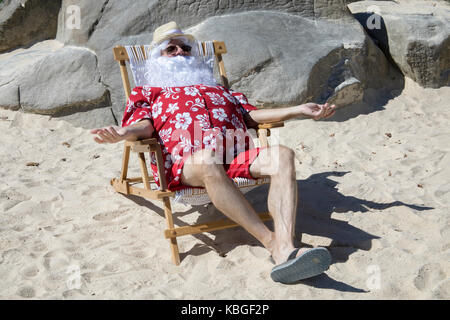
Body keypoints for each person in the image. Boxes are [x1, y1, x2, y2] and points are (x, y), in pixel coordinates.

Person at [90, 21, 336, 284]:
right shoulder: (148, 92)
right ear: (157, 57)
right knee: (207, 160)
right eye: (170, 49)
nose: (180, 53)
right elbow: (144, 125)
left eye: (185, 48)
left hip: (235, 156)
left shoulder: (220, 89)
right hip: (189, 164)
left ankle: (286, 246)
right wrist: (123, 133)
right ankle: (271, 242)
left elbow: (251, 115)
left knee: (283, 155)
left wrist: (298, 110)